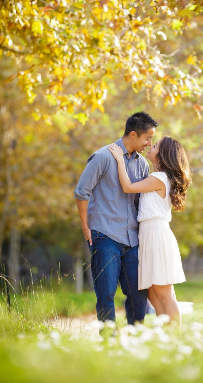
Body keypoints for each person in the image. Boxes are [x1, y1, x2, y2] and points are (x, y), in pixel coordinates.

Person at [74, 112, 158, 324]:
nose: (150, 143)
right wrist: (86, 228)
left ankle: (136, 337)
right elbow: (81, 192)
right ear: (133, 135)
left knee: (139, 296)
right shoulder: (103, 157)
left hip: (133, 240)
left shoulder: (143, 165)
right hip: (105, 236)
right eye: (147, 138)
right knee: (106, 295)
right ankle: (108, 341)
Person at [108, 137, 191, 327]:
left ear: (162, 155)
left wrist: (120, 160)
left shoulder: (160, 178)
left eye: (155, 146)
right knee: (153, 295)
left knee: (164, 294)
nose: (150, 146)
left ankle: (174, 341)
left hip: (155, 235)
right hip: (148, 235)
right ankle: (166, 337)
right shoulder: (158, 177)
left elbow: (128, 187)